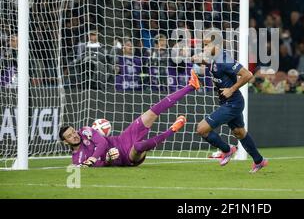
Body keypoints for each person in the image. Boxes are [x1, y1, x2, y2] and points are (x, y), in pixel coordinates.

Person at [59, 70, 201, 167]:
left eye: (73, 131)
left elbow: (102, 143)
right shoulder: (76, 160)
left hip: (123, 138)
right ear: (65, 142)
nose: (74, 135)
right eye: (69, 136)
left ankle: (191, 86)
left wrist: (93, 158)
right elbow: (97, 165)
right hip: (126, 157)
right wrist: (107, 160)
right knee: (139, 146)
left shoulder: (85, 131)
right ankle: (172, 130)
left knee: (153, 111)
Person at [192, 32, 268, 173]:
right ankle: (259, 160)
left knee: (201, 129)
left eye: (207, 44)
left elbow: (247, 75)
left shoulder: (225, 59)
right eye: (204, 45)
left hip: (233, 102)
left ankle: (227, 150)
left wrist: (231, 89)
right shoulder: (214, 58)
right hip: (227, 102)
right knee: (239, 133)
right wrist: (196, 59)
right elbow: (210, 64)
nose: (205, 48)